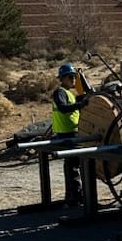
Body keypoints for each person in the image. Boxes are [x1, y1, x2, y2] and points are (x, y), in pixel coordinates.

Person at [51, 62, 91, 206]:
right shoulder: (59, 92)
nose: (73, 80)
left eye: (74, 77)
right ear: (62, 78)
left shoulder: (69, 93)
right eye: (70, 77)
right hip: (66, 134)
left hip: (73, 132)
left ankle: (75, 196)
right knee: (73, 165)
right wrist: (79, 105)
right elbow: (63, 108)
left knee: (74, 164)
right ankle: (74, 197)